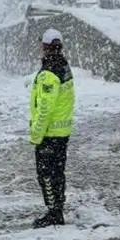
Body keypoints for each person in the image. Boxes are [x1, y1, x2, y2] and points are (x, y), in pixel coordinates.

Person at [29, 28, 75, 228]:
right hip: (62, 132)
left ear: (45, 47)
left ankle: (54, 212)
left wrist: (36, 135)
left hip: (49, 133)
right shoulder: (63, 66)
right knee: (57, 172)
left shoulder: (49, 73)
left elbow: (45, 108)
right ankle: (58, 208)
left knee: (46, 175)